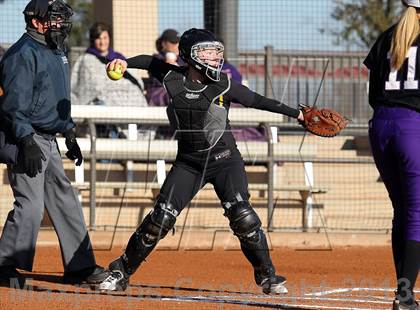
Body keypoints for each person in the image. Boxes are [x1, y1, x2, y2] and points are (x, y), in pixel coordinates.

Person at [98, 28, 305, 294]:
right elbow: (149, 63)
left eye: (215, 52)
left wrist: (297, 114)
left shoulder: (224, 84)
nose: (213, 58)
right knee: (160, 218)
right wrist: (125, 62)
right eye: (206, 52)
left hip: (225, 161)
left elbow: (260, 101)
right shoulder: (172, 77)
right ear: (189, 56)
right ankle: (120, 270)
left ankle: (268, 276)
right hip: (188, 163)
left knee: (243, 217)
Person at [0, 0, 109, 287]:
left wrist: (69, 132)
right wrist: (25, 140)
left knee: (65, 200)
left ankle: (79, 267)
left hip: (49, 139)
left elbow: (56, 99)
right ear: (36, 21)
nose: (61, 24)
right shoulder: (22, 54)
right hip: (27, 139)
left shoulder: (54, 49)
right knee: (31, 205)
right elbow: (13, 106)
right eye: (55, 19)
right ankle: (5, 264)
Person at [364, 1, 420, 309]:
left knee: (404, 212)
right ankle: (405, 296)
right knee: (416, 214)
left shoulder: (388, 35)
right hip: (414, 127)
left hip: (382, 126)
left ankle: (404, 292)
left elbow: (373, 94)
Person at [71, 22, 148, 139]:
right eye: (98, 38)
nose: (102, 42)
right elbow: (88, 86)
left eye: (105, 37)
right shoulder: (86, 60)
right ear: (93, 40)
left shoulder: (119, 57)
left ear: (109, 38)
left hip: (126, 102)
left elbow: (135, 81)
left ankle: (129, 145)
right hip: (100, 107)